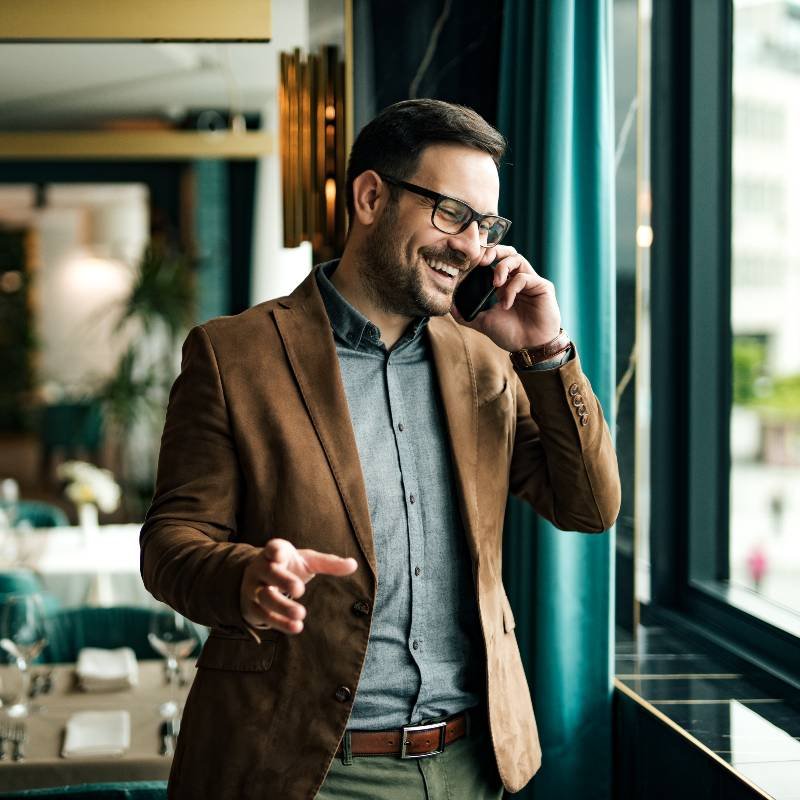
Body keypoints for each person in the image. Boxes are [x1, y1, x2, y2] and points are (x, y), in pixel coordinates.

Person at [140, 98, 621, 800]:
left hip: (471, 764)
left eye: (485, 226)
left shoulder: (486, 360)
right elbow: (170, 543)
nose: (471, 247)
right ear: (371, 197)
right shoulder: (233, 355)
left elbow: (590, 506)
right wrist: (244, 578)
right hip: (303, 770)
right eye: (451, 214)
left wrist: (546, 353)